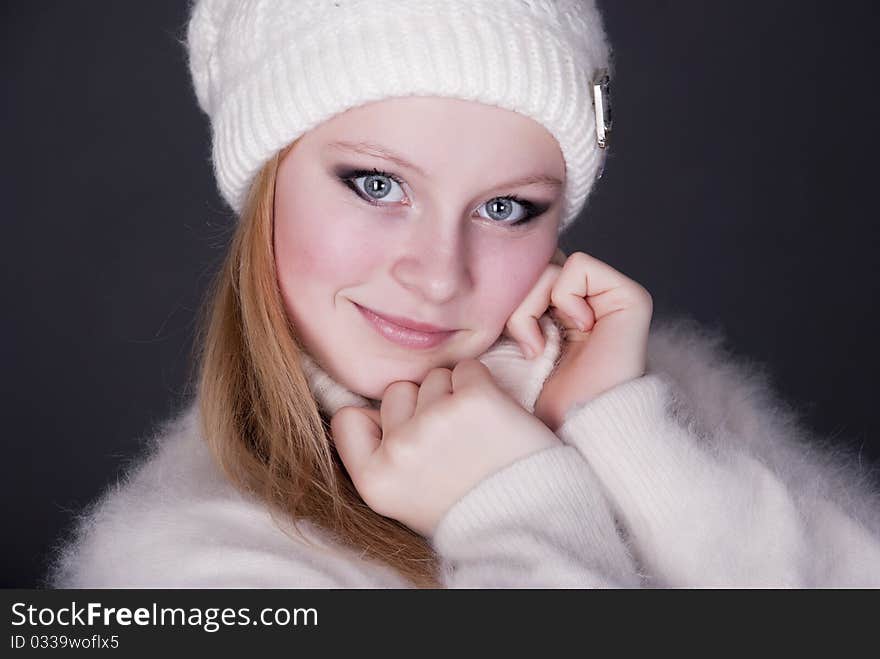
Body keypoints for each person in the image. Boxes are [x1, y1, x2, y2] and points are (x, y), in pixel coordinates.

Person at [45, 0, 880, 589]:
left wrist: (628, 435)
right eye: (376, 183)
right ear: (267, 187)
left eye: (507, 207)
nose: (441, 273)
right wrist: (519, 504)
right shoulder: (183, 566)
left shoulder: (657, 401)